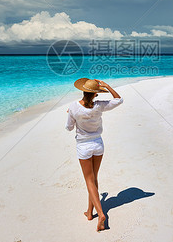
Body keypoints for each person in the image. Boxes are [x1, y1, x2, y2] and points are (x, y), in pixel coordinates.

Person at [65, 78, 123, 232]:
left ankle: (101, 214)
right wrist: (107, 86)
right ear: (96, 94)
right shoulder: (99, 106)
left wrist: (71, 114)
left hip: (84, 147)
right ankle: (90, 213)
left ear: (83, 91)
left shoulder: (73, 107)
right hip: (98, 145)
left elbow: (69, 128)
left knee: (89, 181)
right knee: (94, 179)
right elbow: (119, 100)